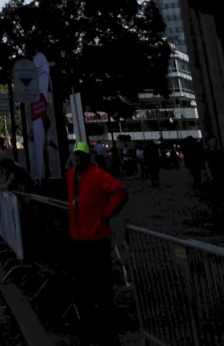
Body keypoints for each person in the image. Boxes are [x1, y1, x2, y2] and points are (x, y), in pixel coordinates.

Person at [67, 142, 128, 346]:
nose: (78, 159)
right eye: (76, 155)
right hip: (79, 238)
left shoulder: (98, 175)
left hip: (96, 239)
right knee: (84, 284)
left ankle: (105, 327)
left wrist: (105, 215)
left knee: (101, 284)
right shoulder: (72, 176)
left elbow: (120, 192)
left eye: (81, 156)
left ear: (88, 157)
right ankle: (89, 324)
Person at [204, 135, 224, 222]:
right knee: (215, 196)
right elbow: (206, 164)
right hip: (214, 176)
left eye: (215, 141)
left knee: (223, 194)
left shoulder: (219, 152)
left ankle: (223, 211)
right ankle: (215, 214)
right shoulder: (207, 152)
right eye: (212, 141)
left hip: (221, 175)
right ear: (208, 142)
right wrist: (210, 176)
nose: (214, 142)